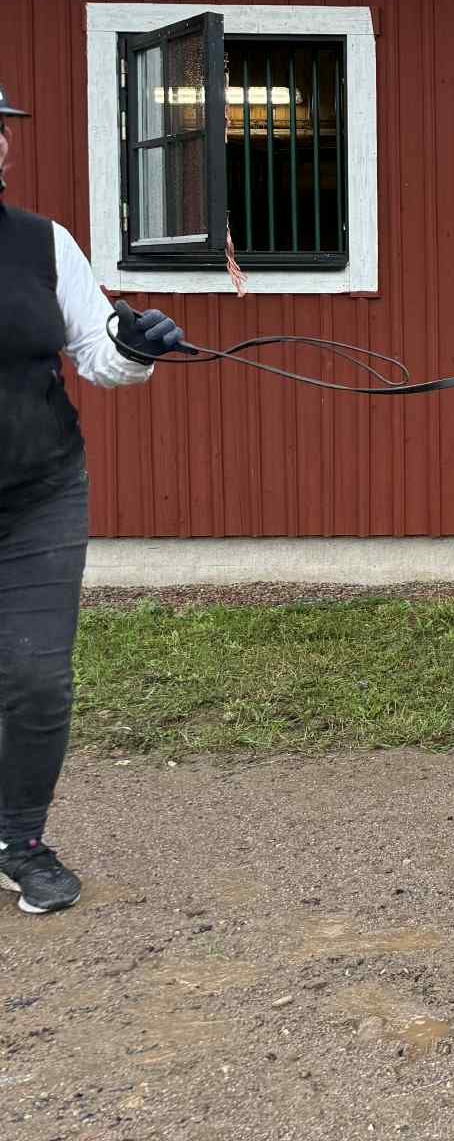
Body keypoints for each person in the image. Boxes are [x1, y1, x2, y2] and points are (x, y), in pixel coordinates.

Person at [0, 81, 186, 913]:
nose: (2, 146)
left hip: (40, 490)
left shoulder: (43, 245)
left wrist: (136, 343)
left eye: (2, 130)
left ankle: (20, 841)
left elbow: (99, 352)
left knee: (38, 679)